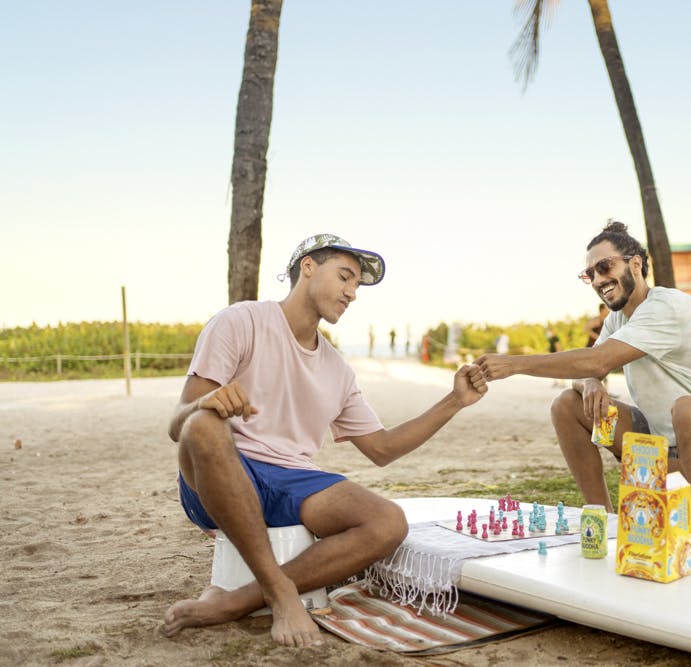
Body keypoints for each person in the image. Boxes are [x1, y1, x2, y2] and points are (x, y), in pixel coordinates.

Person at [162, 233, 487, 647]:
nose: (351, 293)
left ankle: (236, 600)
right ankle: (281, 594)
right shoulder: (240, 321)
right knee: (203, 425)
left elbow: (382, 449)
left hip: (291, 480)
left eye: (356, 286)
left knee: (388, 521)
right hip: (220, 472)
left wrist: (455, 401)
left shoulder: (337, 369)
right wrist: (208, 401)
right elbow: (179, 426)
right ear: (308, 267)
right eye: (345, 277)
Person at [474, 221, 691, 533]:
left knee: (688, 410)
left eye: (604, 267)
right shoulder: (617, 319)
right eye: (590, 274)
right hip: (663, 449)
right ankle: (604, 520)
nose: (598, 279)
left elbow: (598, 360)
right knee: (567, 406)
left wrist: (514, 365)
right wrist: (591, 381)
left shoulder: (667, 306)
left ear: (635, 264)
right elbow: (586, 372)